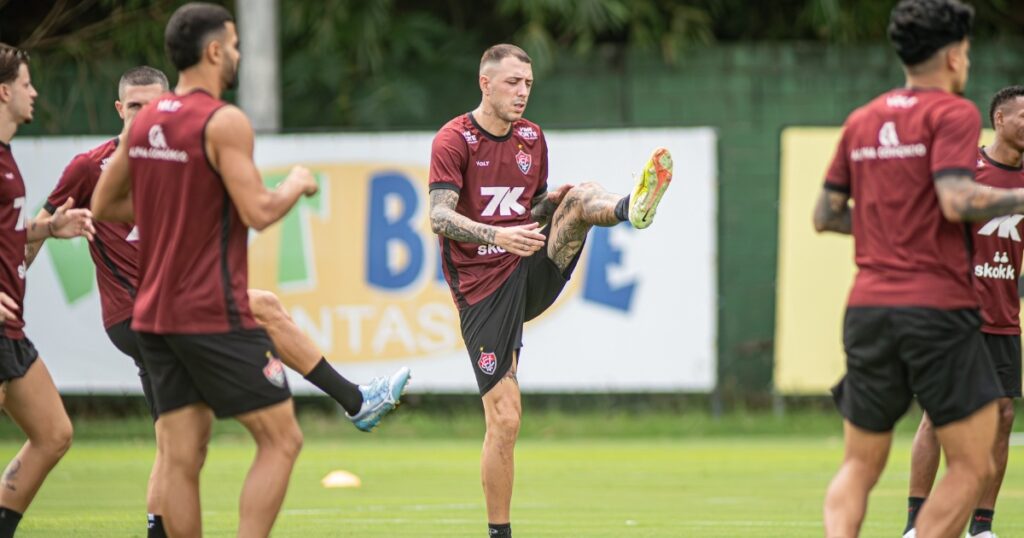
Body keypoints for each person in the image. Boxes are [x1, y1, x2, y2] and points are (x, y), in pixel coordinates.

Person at [30, 65, 409, 537]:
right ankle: (356, 399)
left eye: (153, 107)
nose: (144, 116)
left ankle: (157, 530)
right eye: (134, 108)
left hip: (167, 315)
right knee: (266, 324)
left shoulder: (180, 162)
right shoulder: (92, 166)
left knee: (180, 446)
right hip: (141, 315)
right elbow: (36, 230)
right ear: (118, 110)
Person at [428, 43, 672, 538]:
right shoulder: (454, 139)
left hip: (528, 269)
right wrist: (498, 235)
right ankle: (500, 533)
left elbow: (532, 206)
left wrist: (548, 202)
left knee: (579, 196)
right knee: (506, 420)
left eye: (528, 84)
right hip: (482, 292)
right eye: (513, 83)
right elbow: (438, 215)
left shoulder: (531, 138)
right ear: (485, 83)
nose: (522, 93)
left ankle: (632, 208)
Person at [814, 1, 1024, 535]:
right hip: (935, 307)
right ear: (954, 56)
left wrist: (893, 229)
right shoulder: (951, 112)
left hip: (866, 308)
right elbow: (956, 200)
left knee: (859, 464)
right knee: (972, 465)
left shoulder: (863, 117)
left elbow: (825, 215)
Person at [902, 86, 1024, 538]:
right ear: (1000, 118)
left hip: (1003, 316)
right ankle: (916, 525)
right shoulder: (964, 171)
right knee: (939, 414)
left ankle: (981, 527)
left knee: (1003, 417)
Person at [0, 43, 95, 538]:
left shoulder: (6, 156)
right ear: (3, 91)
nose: (34, 91)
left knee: (54, 434)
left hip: (10, 327)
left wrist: (48, 229)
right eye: (26, 83)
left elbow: (7, 230)